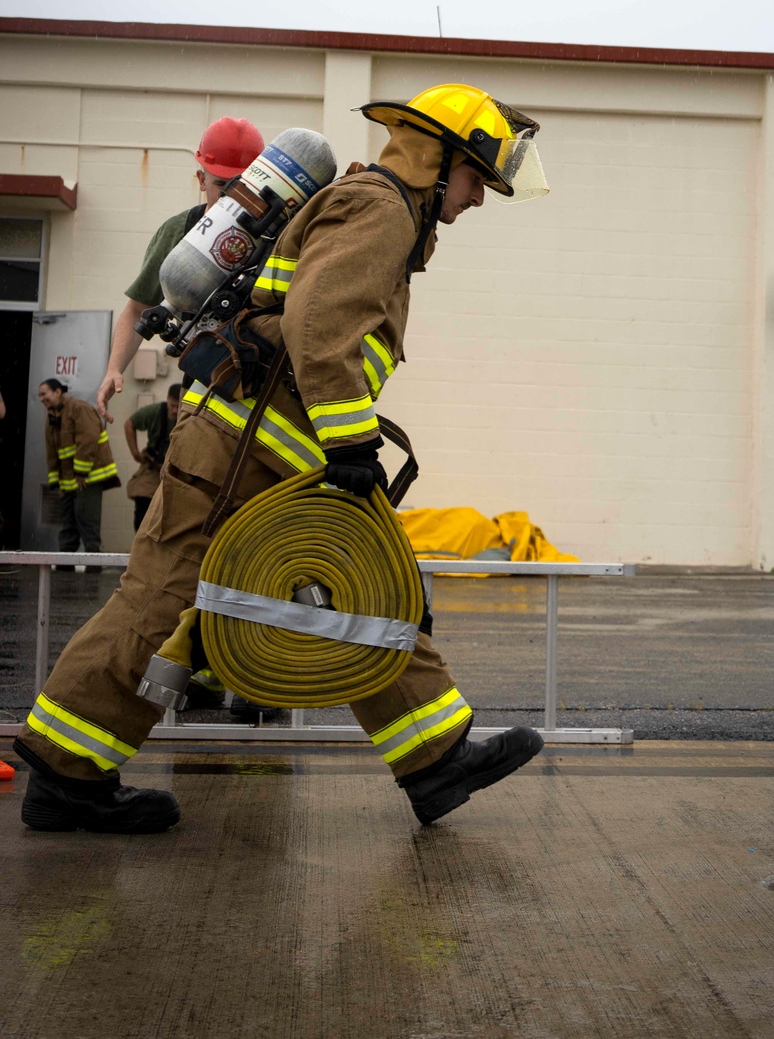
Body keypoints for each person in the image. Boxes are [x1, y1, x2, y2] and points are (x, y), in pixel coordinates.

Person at [15, 83, 549, 833]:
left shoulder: (378, 206)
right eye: (475, 179)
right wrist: (350, 441)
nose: (479, 199)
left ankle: (435, 758)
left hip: (266, 448)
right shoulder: (383, 209)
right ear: (441, 160)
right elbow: (319, 320)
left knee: (364, 591)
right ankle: (66, 773)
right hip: (244, 450)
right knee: (159, 602)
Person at [97, 116, 265, 422]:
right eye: (221, 185)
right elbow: (139, 310)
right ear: (201, 181)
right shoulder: (178, 232)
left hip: (267, 386)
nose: (231, 196)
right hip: (204, 384)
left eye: (242, 186)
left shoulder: (278, 234)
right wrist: (114, 369)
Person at [38, 378, 120, 562]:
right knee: (68, 525)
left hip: (88, 478)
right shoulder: (52, 417)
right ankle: (64, 568)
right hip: (69, 481)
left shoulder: (79, 409)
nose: (42, 398)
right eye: (39, 396)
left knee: (87, 522)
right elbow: (52, 453)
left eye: (44, 393)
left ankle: (93, 571)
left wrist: (80, 473)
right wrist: (56, 482)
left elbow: (88, 441)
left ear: (58, 391)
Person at [124, 385, 180, 531]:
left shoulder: (188, 417)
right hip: (153, 467)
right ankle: (140, 542)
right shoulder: (155, 412)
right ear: (167, 400)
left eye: (178, 407)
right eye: (172, 406)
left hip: (175, 471)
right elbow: (129, 424)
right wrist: (135, 453)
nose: (174, 411)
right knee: (142, 500)